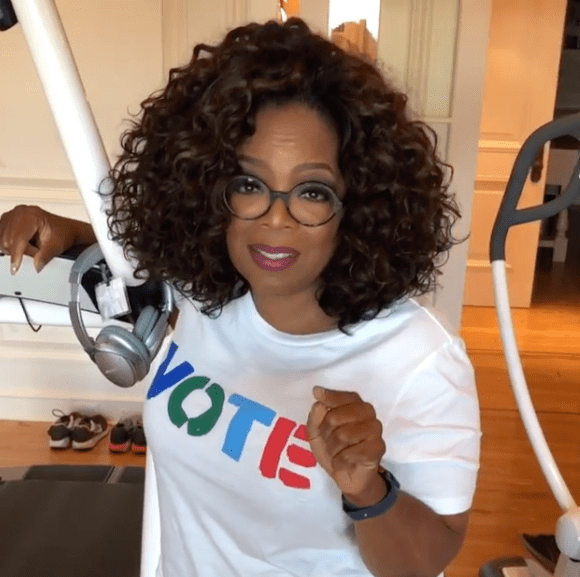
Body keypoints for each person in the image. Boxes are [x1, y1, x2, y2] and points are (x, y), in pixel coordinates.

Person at [0, 17, 481, 577]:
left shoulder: (419, 358)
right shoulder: (208, 291)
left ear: (359, 206)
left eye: (312, 192)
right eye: (250, 184)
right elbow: (143, 265)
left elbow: (429, 559)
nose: (275, 219)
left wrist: (367, 488)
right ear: (211, 189)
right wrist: (68, 233)